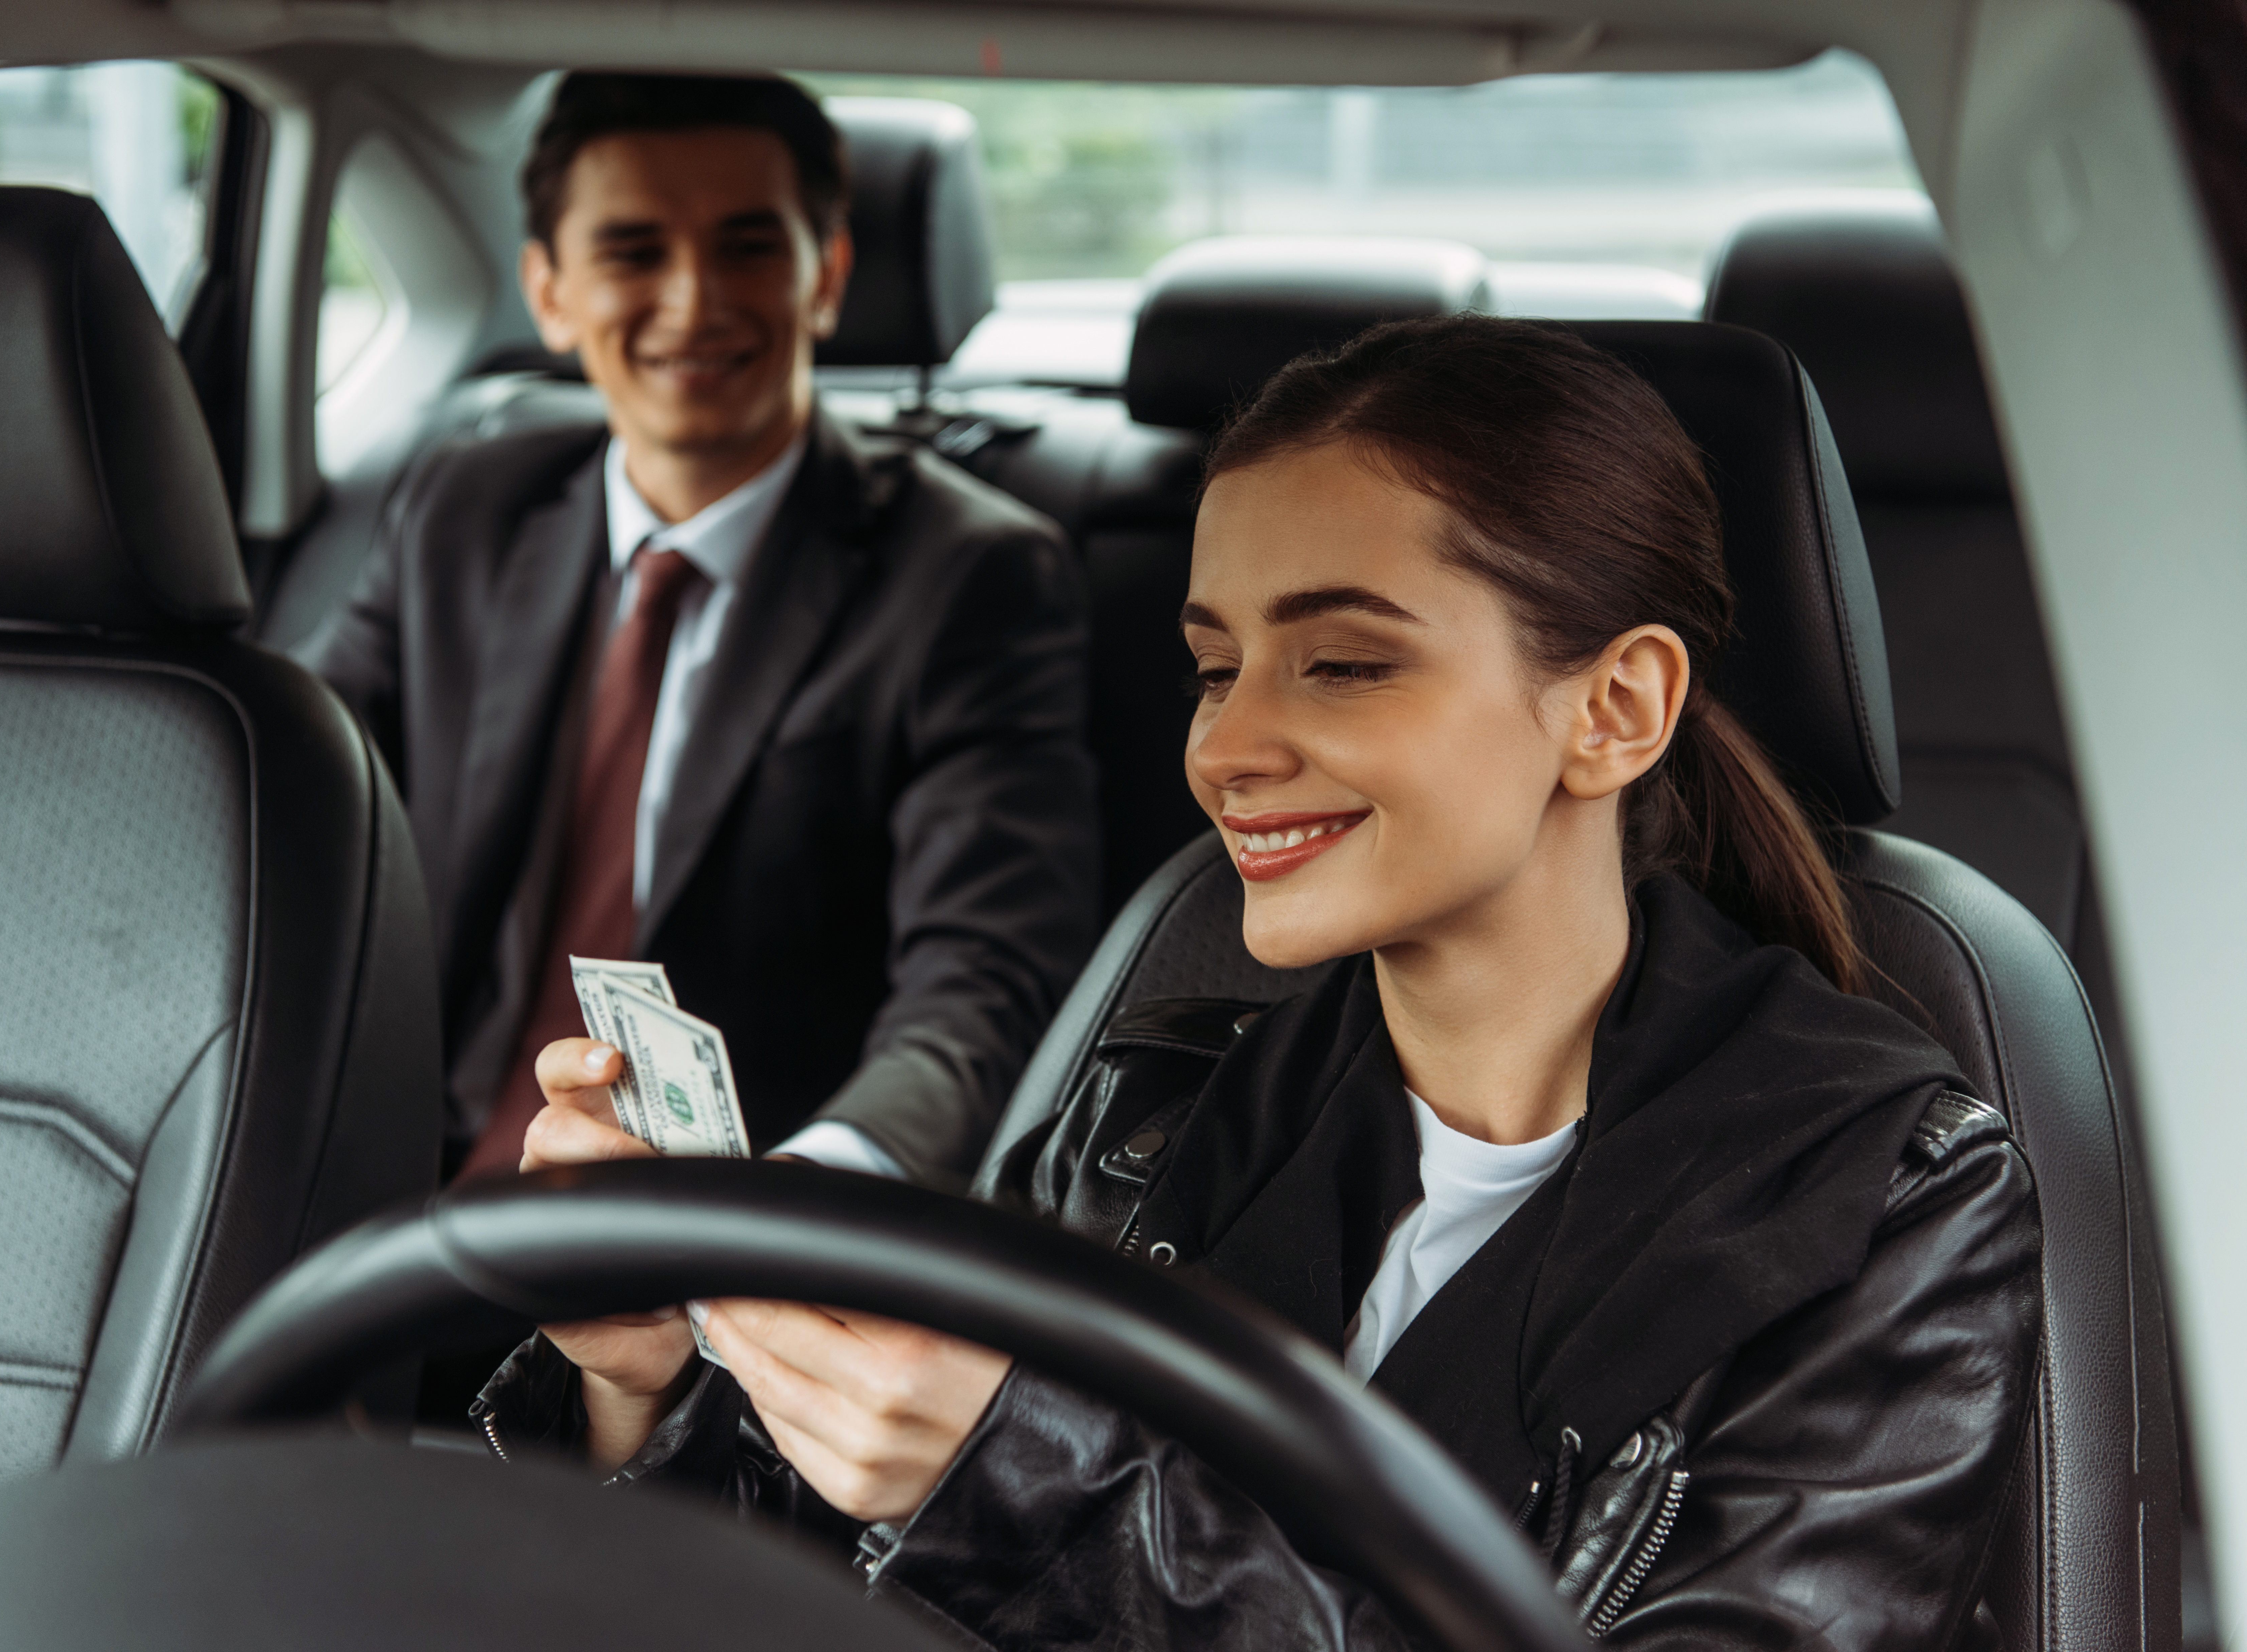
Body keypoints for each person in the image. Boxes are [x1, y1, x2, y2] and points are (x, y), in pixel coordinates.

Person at [479, 316, 2044, 1649]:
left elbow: (1012, 1505)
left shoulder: (1892, 1201)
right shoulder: (1153, 1106)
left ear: (1615, 707)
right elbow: (833, 1584)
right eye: (1216, 666)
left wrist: (1030, 1482)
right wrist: (648, 1380)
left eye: (1344, 662)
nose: (1224, 748)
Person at [299, 73, 1097, 1189]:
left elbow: (988, 974)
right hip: (400, 1187)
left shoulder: (970, 575)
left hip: (723, 1220)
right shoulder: (464, 510)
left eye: (747, 248)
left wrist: (807, 1194)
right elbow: (292, 816)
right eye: (632, 252)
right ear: (551, 291)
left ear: (827, 275)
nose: (692, 302)